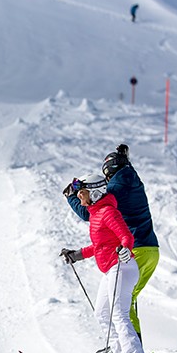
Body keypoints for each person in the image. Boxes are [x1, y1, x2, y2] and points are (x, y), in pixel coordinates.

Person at [63, 144, 158, 341]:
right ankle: (126, 349)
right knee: (126, 301)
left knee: (122, 304)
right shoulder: (133, 180)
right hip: (150, 249)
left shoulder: (115, 189)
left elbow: (88, 212)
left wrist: (72, 195)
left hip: (134, 249)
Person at [60, 174, 150, 353]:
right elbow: (99, 245)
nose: (80, 198)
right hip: (111, 270)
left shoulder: (109, 212)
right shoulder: (96, 214)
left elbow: (126, 236)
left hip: (122, 267)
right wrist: (77, 255)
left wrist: (126, 248)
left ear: (95, 192)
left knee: (119, 313)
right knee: (101, 312)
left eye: (82, 193)